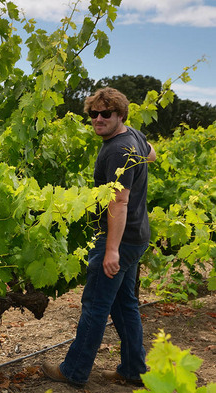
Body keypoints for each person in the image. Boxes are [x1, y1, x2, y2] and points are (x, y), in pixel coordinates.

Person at [41, 87, 156, 387]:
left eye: (106, 114)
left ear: (120, 115)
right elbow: (152, 154)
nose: (99, 119)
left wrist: (111, 251)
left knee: (95, 304)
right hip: (137, 235)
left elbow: (118, 202)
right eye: (94, 114)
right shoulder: (135, 138)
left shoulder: (118, 149)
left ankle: (74, 371)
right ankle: (134, 370)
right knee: (124, 304)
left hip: (119, 238)